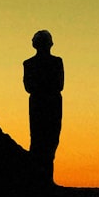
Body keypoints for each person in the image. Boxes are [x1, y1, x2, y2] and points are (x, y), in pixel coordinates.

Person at [23, 30, 64, 185]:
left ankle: (45, 178)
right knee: (40, 140)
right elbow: (29, 86)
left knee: (50, 140)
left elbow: (60, 85)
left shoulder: (56, 62)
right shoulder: (29, 63)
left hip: (50, 102)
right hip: (42, 103)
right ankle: (40, 179)